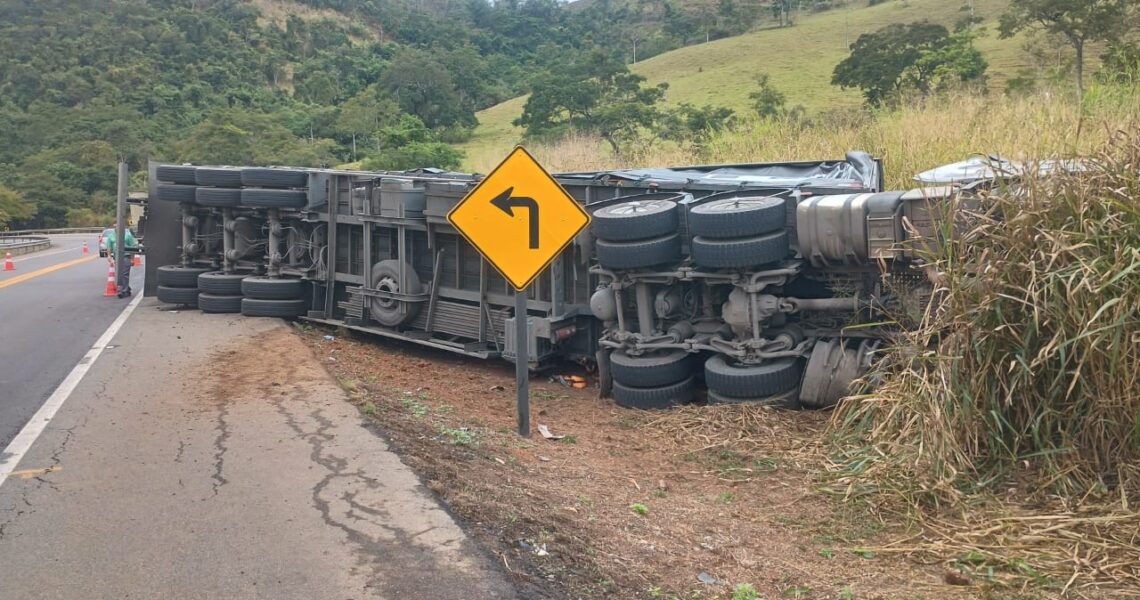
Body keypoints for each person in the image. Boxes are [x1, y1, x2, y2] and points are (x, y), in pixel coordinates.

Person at [104, 226, 139, 298]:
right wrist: (109, 256)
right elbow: (109, 247)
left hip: (126, 256)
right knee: (119, 274)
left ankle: (123, 291)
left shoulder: (128, 235)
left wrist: (132, 259)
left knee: (125, 273)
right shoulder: (111, 236)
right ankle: (126, 287)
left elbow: (133, 247)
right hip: (117, 257)